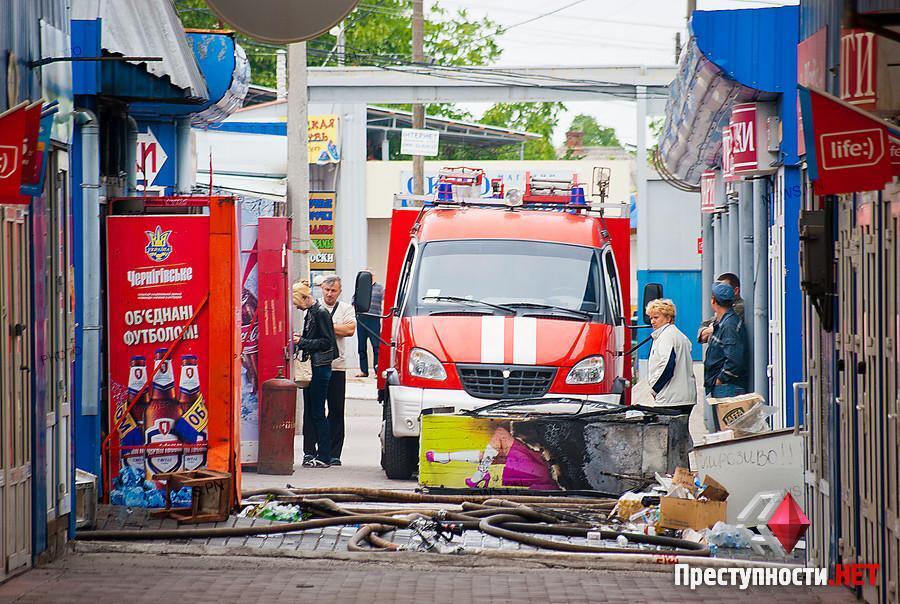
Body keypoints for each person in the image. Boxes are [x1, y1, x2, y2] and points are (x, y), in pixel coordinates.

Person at [306, 275, 355, 467]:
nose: (329, 294)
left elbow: (350, 330)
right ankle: (310, 451)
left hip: (337, 366)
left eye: (333, 290)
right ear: (321, 289)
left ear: (339, 292)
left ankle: (334, 453)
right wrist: (332, 328)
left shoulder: (346, 309)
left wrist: (324, 326)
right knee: (313, 411)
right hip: (315, 365)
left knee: (336, 410)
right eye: (326, 290)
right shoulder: (314, 307)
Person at [292, 280, 337, 468]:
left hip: (320, 368)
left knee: (317, 412)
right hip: (315, 367)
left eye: (297, 303)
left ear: (304, 298)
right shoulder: (313, 312)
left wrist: (302, 341)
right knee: (312, 411)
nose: (297, 307)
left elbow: (327, 342)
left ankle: (324, 455)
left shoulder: (320, 313)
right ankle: (316, 454)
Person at [702, 282, 749, 431]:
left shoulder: (729, 325)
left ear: (714, 301)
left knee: (729, 434)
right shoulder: (723, 322)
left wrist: (720, 379)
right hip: (724, 387)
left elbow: (734, 360)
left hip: (727, 388)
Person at [645, 299, 697, 414]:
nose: (652, 321)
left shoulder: (666, 336)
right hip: (685, 397)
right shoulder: (680, 336)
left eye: (656, 317)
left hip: (671, 398)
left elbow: (667, 365)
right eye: (651, 318)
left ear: (668, 318)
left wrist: (654, 389)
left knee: (667, 431)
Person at [697, 273, 744, 343]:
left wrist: (712, 328)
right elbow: (702, 332)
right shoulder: (724, 309)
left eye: (723, 288)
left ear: (735, 291)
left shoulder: (739, 308)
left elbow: (724, 327)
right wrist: (713, 329)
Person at [356, 269, 384, 378]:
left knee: (376, 346)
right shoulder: (360, 288)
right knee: (361, 347)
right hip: (361, 319)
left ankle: (378, 370)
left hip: (374, 319)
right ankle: (364, 371)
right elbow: (354, 300)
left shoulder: (380, 288)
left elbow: (384, 301)